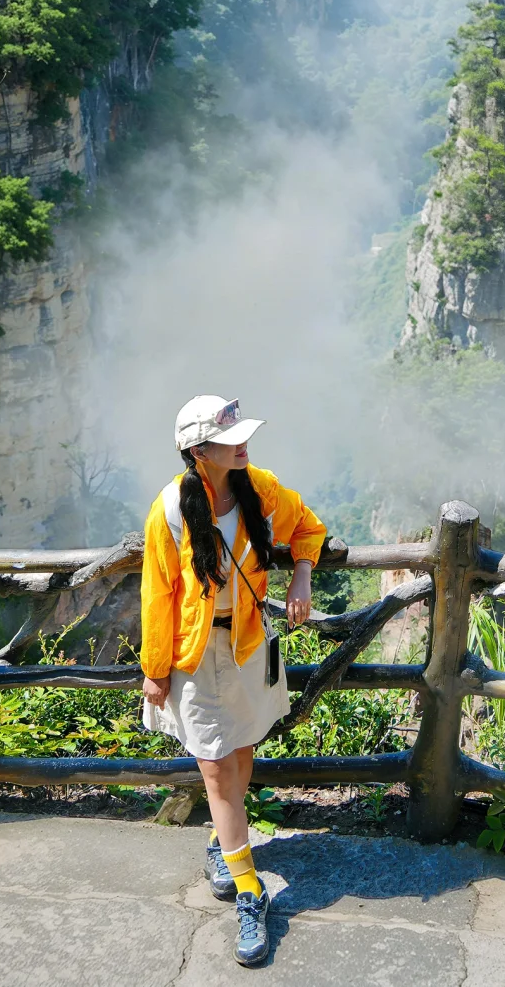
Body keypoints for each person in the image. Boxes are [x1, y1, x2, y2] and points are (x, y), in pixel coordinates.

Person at [141, 394, 326, 968]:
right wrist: (155, 672)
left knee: (241, 757)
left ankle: (225, 848)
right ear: (199, 451)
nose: (243, 443)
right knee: (219, 771)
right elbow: (157, 596)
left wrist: (300, 577)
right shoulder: (170, 510)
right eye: (230, 439)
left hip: (246, 644)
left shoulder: (258, 487)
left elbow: (308, 526)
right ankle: (252, 893)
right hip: (195, 658)